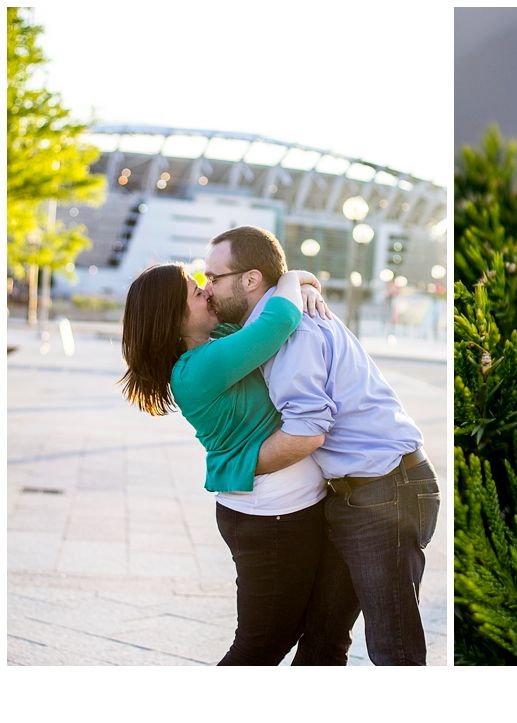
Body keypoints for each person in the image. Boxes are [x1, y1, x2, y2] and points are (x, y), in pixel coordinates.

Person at [205, 225, 441, 666]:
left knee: (395, 649)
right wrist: (299, 279)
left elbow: (307, 430)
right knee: (322, 638)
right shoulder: (276, 320)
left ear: (250, 280)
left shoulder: (289, 332)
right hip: (354, 494)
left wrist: (235, 468)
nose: (207, 289)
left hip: (386, 489)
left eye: (213, 278)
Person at [119, 263, 342, 665]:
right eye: (194, 290)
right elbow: (276, 324)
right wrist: (294, 280)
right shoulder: (197, 369)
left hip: (282, 513)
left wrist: (306, 289)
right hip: (269, 520)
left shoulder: (216, 340)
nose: (206, 290)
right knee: (260, 646)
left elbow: (271, 310)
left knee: (286, 635)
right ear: (174, 316)